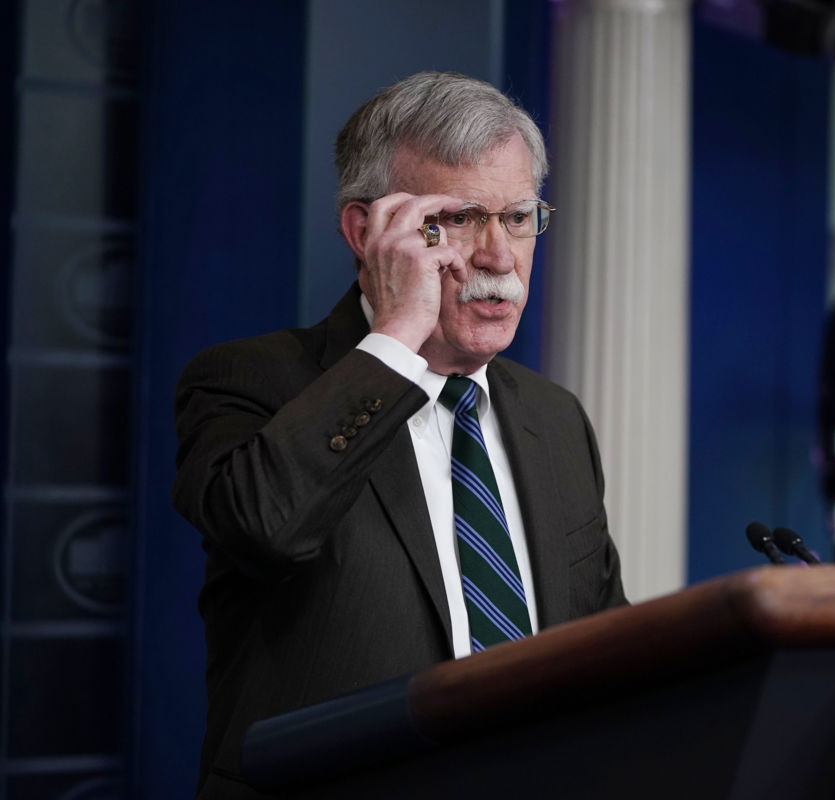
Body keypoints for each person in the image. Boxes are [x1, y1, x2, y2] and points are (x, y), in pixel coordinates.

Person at [172, 72, 626, 798]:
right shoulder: (250, 381)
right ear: (366, 232)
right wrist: (397, 337)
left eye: (516, 218)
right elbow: (267, 527)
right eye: (459, 218)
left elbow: (609, 654)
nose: (498, 257)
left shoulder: (556, 419)